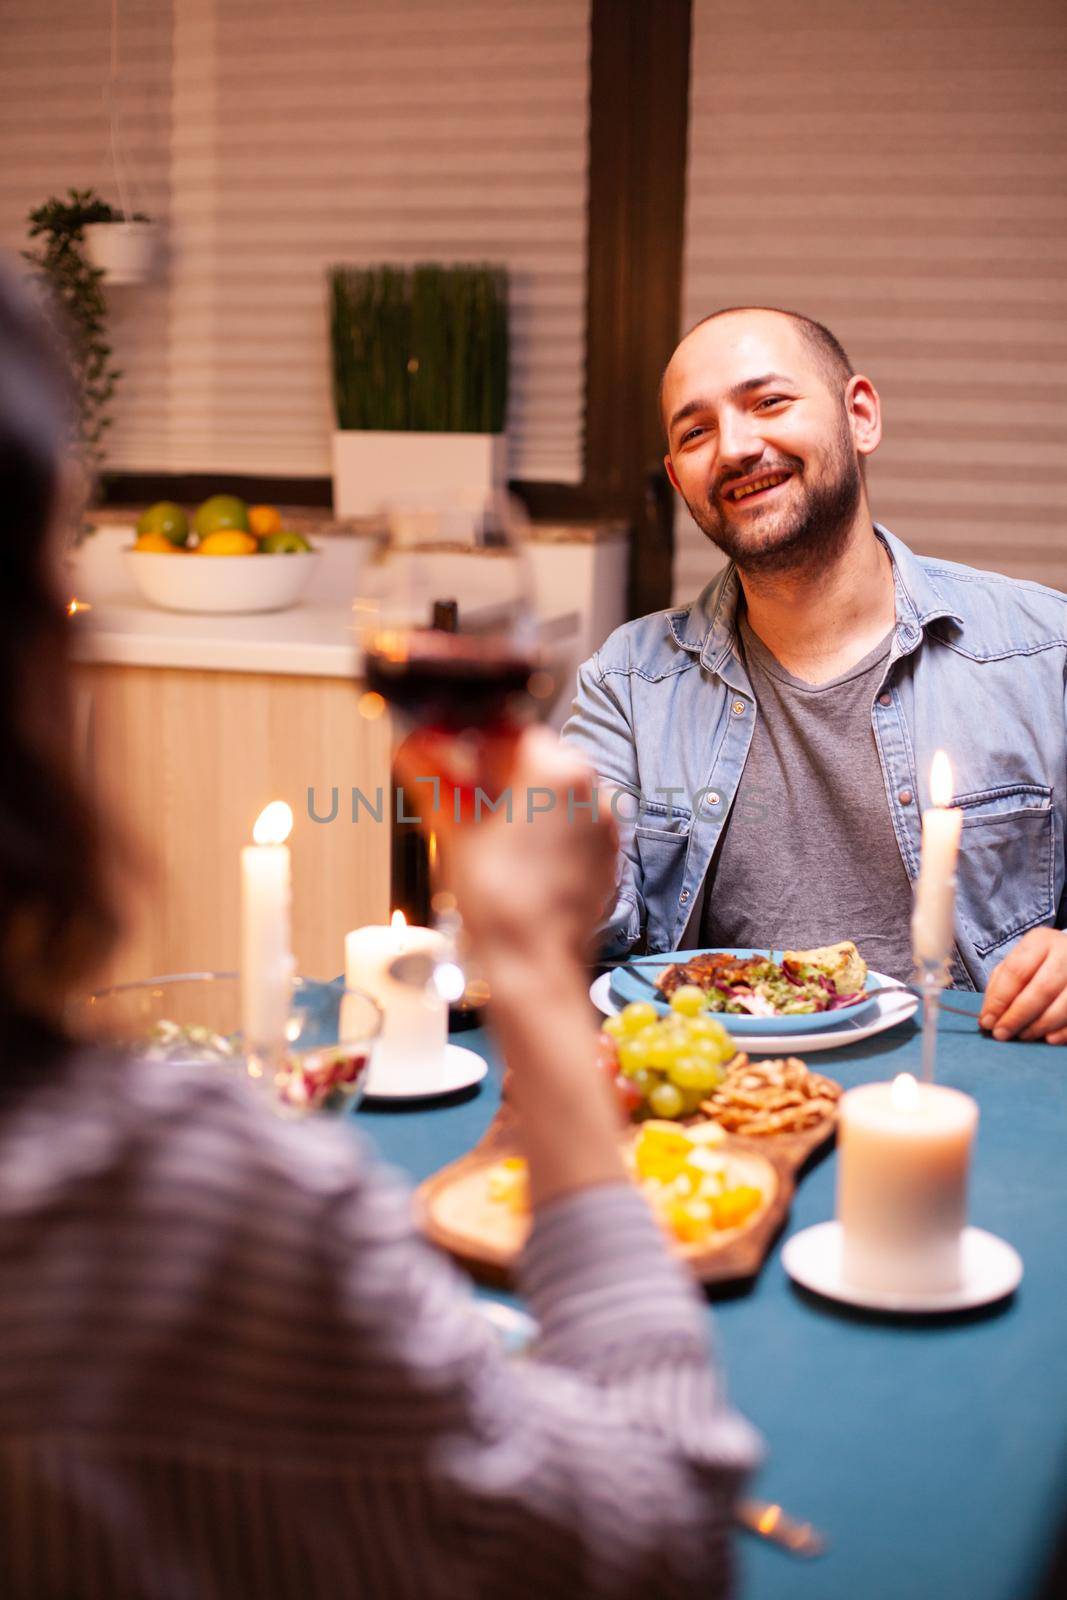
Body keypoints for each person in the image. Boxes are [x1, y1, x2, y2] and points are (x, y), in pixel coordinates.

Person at [0, 260, 758, 1598]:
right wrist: (527, 963)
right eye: (63, 561)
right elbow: (646, 1537)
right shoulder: (169, 1207)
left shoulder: (1030, 646)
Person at [563, 305, 1067, 1042]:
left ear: (858, 415)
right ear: (678, 479)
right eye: (695, 431)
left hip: (972, 1092)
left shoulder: (1044, 650)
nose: (734, 447)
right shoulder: (627, 684)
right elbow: (585, 941)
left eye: (767, 402)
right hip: (720, 1103)